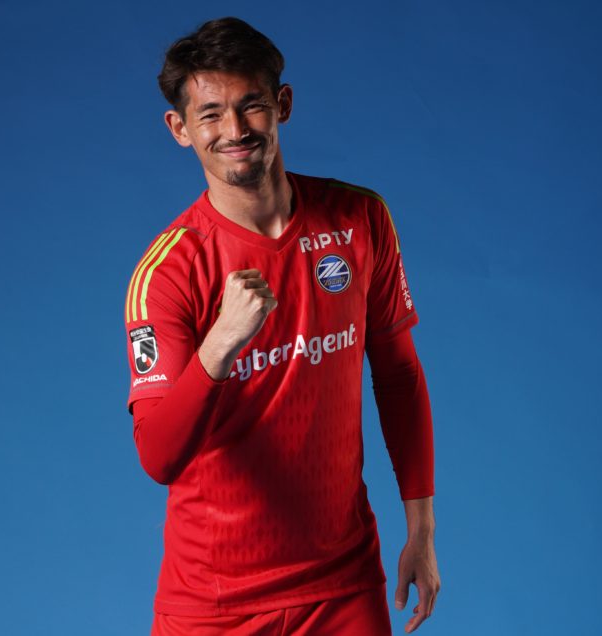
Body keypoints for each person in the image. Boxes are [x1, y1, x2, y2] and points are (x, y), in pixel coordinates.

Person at [123, 16, 441, 635]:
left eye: (252, 105)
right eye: (210, 114)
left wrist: (421, 530)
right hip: (215, 603)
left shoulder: (360, 218)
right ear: (180, 129)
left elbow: (399, 375)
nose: (235, 131)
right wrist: (219, 345)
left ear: (283, 105)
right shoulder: (167, 272)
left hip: (343, 582)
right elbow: (158, 456)